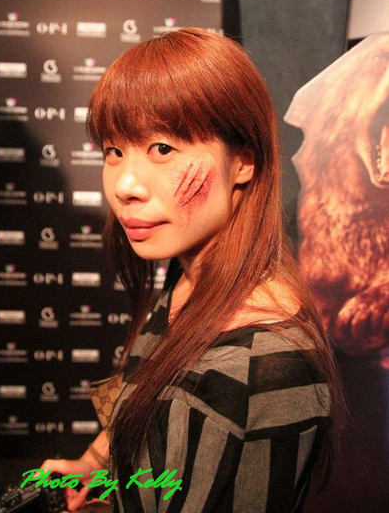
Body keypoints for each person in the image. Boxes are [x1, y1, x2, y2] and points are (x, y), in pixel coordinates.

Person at [39, 27, 346, 512]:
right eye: (114, 151)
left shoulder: (262, 364)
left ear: (243, 161)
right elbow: (149, 407)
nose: (125, 185)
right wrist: (97, 467)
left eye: (162, 149)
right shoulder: (190, 277)